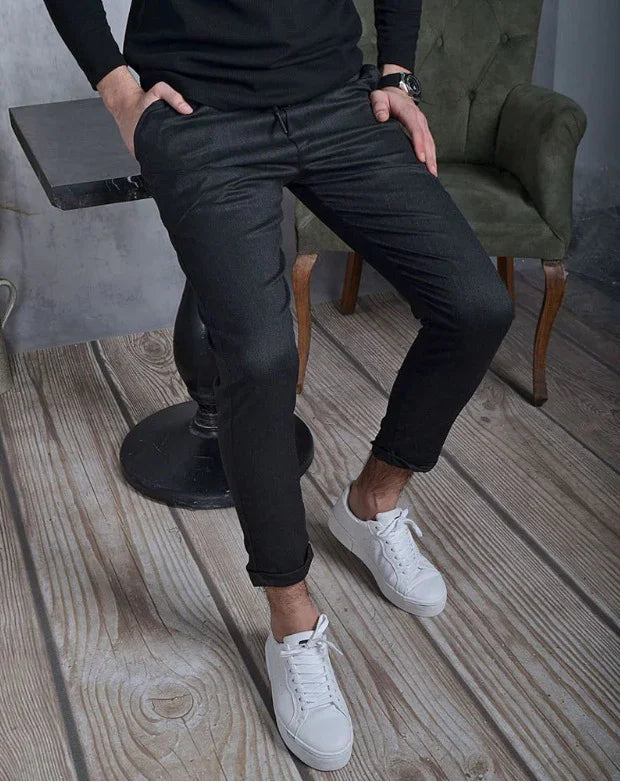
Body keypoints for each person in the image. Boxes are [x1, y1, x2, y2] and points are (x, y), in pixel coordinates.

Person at [42, 0, 514, 770]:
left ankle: (373, 500)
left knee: (475, 306)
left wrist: (397, 72)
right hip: (201, 117)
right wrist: (119, 91)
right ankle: (292, 622)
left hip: (336, 100)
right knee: (260, 359)